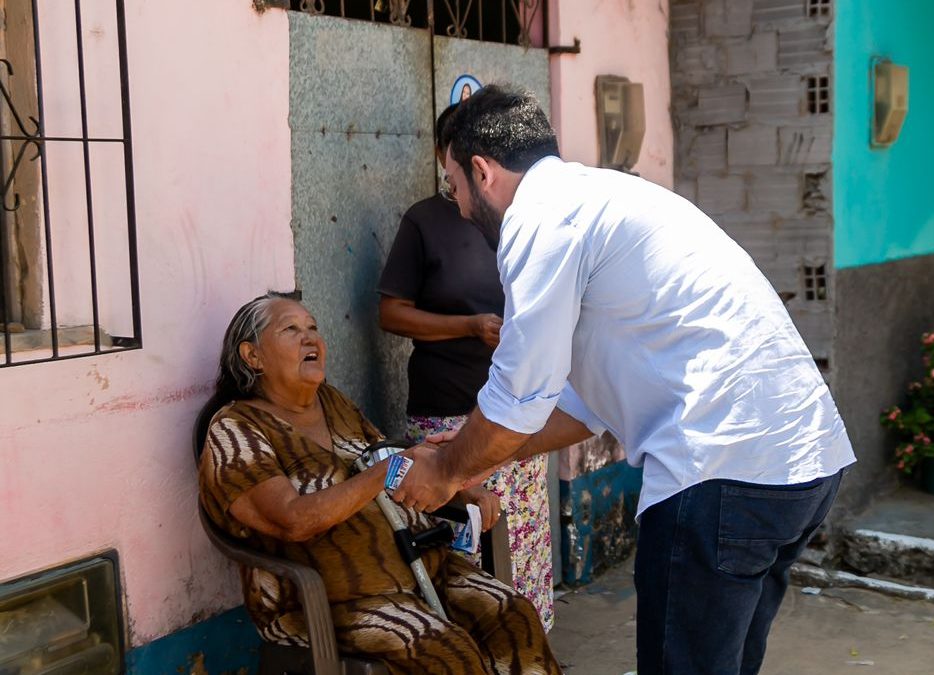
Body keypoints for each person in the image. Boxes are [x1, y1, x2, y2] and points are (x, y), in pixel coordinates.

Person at [392, 85, 857, 675]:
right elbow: (582, 402)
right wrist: (486, 458)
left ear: (481, 171)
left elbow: (520, 388)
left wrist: (448, 469)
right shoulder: (601, 198)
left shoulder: (539, 220)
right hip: (800, 464)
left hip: (722, 469)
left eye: (454, 184)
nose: (457, 204)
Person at [196, 292, 561, 675]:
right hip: (338, 598)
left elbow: (390, 456)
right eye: (291, 329)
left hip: (420, 566)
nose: (311, 339)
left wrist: (456, 483)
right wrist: (387, 472)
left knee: (512, 616)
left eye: (313, 328)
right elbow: (292, 519)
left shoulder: (332, 403)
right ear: (252, 356)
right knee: (443, 651)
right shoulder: (236, 428)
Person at [378, 103, 555, 630]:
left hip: (520, 415)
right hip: (446, 412)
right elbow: (390, 313)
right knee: (464, 552)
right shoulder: (427, 220)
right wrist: (470, 326)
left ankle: (528, 647)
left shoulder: (517, 220)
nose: (453, 186)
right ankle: (465, 655)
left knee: (522, 546)